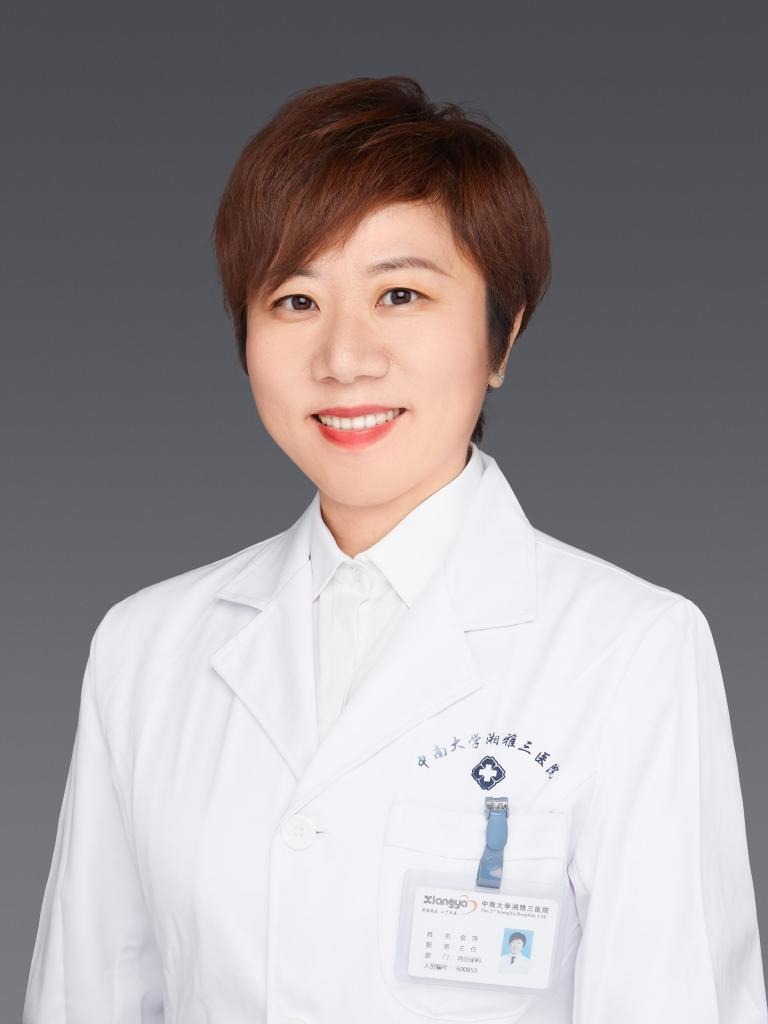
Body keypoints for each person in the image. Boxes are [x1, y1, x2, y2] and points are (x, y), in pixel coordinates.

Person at [23, 75, 768, 1023]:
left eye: (401, 294)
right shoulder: (145, 649)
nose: (344, 358)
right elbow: (83, 997)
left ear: (502, 335)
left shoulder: (632, 650)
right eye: (295, 300)